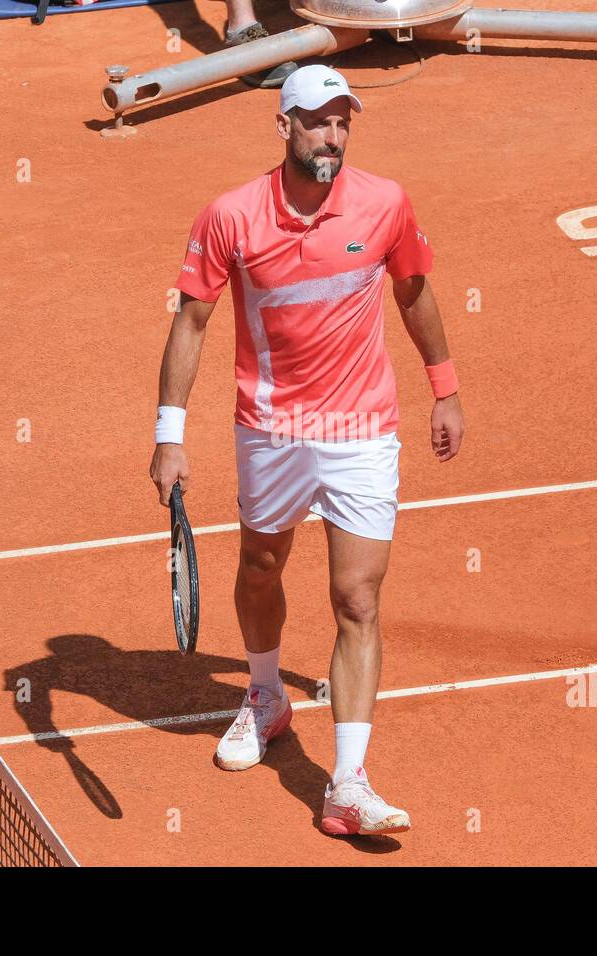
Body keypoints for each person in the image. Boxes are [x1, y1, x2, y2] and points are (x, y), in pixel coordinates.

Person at [149, 64, 464, 836]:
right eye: (318, 120)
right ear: (283, 126)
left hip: (362, 430)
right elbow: (191, 321)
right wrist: (169, 435)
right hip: (270, 430)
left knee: (357, 599)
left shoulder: (384, 202)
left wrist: (444, 385)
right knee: (261, 567)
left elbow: (413, 291)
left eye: (342, 121)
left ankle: (347, 785)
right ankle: (266, 696)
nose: (333, 134)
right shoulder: (230, 217)